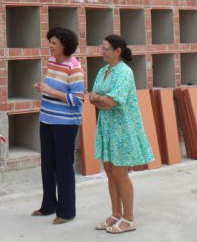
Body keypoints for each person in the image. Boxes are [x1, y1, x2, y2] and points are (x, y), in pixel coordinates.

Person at [89, 34, 154, 234]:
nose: (102, 51)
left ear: (118, 51)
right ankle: (116, 213)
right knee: (109, 171)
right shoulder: (103, 71)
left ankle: (129, 218)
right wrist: (100, 99)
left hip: (122, 128)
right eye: (102, 47)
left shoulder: (125, 72)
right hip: (107, 126)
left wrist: (99, 98)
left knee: (120, 173)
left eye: (106, 48)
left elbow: (111, 101)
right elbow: (93, 99)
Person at [32, 27, 84, 224]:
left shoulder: (74, 67)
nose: (50, 46)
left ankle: (66, 211)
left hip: (65, 123)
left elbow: (78, 98)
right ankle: (48, 205)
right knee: (47, 164)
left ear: (64, 45)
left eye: (54, 43)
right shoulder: (52, 61)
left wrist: (50, 91)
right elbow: (52, 86)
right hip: (47, 118)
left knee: (63, 166)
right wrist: (43, 88)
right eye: (50, 42)